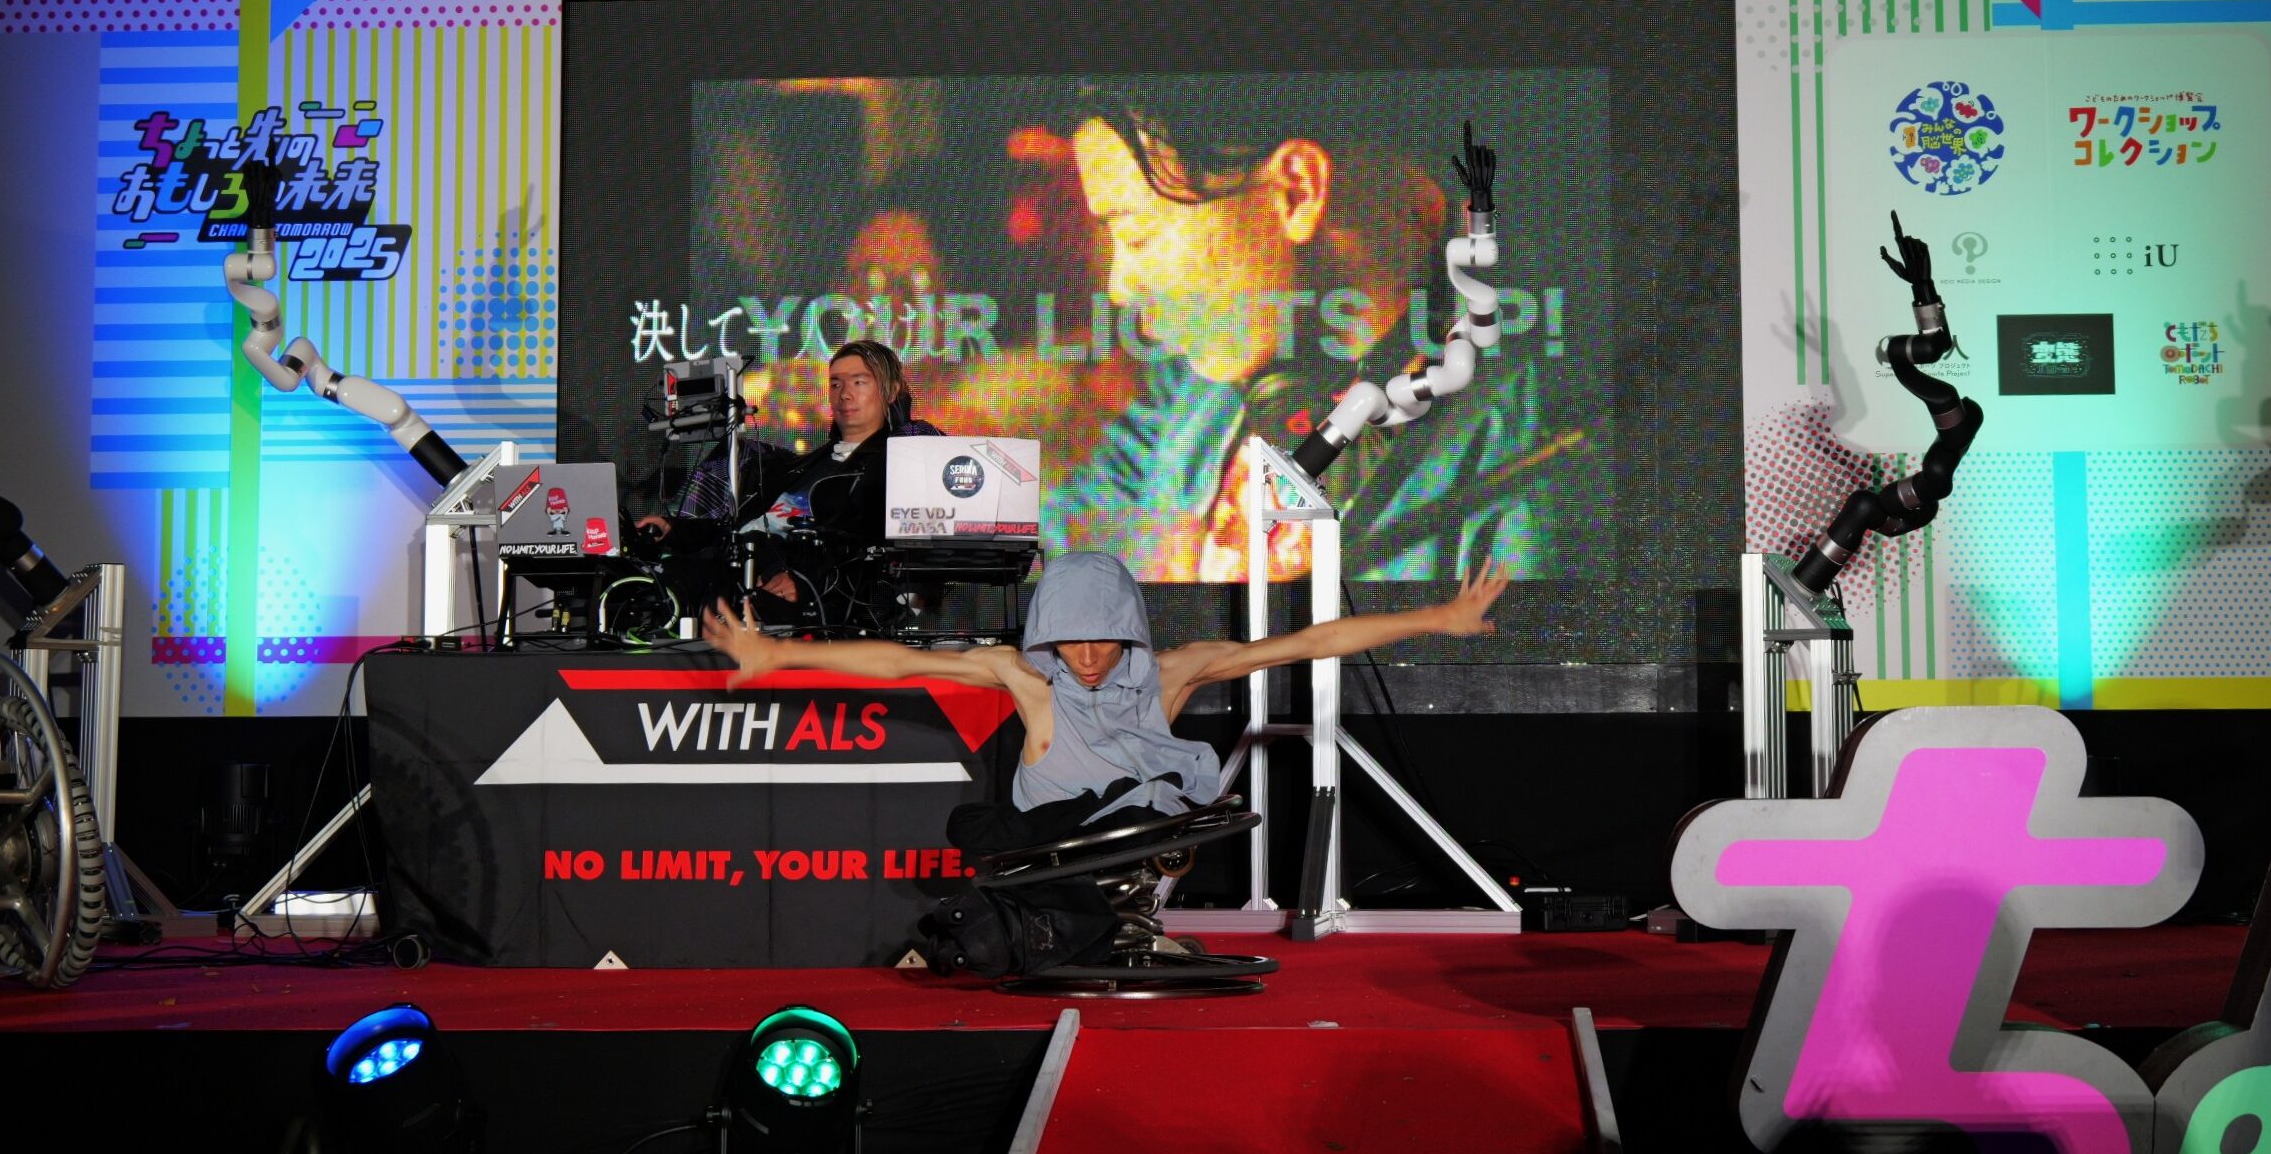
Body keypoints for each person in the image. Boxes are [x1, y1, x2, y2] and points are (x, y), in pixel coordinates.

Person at [1047, 77, 1582, 583]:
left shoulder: (1535, 451)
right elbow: (1063, 529)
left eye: (1137, 235)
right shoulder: (1192, 388)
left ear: (1298, 191)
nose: (1119, 286)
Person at [704, 550, 1509, 841]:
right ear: (1049, 639)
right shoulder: (1026, 678)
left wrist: (1437, 618)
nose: (1087, 658)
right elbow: (901, 664)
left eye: (1102, 640)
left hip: (1144, 842)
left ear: (1127, 633)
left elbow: (1305, 642)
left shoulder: (1170, 673)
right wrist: (775, 653)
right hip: (1053, 847)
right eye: (1072, 641)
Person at [635, 340, 943, 627]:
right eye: (835, 384)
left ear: (891, 391)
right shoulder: (796, 467)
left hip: (808, 595)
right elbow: (735, 529)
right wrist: (675, 529)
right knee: (645, 583)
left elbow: (872, 548)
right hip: (737, 566)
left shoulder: (895, 462)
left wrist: (805, 580)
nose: (844, 394)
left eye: (859, 382)